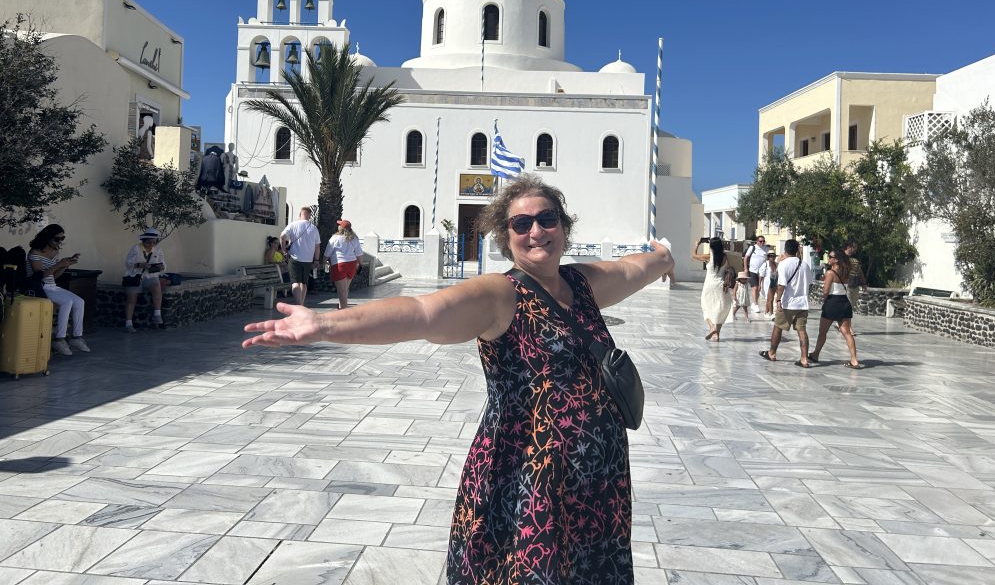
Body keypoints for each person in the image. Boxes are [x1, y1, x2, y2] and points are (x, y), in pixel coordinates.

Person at [243, 175, 675, 583]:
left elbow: (632, 270)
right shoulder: (500, 295)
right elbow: (423, 314)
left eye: (547, 219)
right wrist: (325, 325)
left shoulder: (582, 283)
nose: (537, 231)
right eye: (521, 223)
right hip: (529, 480)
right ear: (506, 238)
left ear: (564, 226)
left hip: (597, 483)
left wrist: (664, 255)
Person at [26, 224, 87, 355]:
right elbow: (39, 276)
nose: (60, 242)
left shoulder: (55, 253)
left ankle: (77, 337)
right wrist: (59, 264)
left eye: (62, 238)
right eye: (57, 239)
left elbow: (54, 276)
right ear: (47, 238)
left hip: (52, 286)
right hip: (39, 287)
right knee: (67, 302)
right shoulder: (34, 252)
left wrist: (65, 266)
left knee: (80, 302)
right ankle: (59, 339)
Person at [759, 238, 813, 367]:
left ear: (785, 250)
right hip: (802, 304)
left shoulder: (783, 264)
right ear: (797, 250)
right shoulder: (804, 265)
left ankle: (772, 353)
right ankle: (804, 358)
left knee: (778, 327)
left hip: (788, 303)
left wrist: (778, 300)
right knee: (802, 330)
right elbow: (810, 285)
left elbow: (781, 285)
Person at [809, 249, 864, 369]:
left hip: (832, 302)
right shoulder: (846, 271)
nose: (828, 258)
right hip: (844, 302)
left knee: (822, 332)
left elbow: (825, 291)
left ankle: (815, 354)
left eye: (830, 257)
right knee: (847, 333)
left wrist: (825, 301)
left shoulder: (830, 273)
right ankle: (854, 360)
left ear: (836, 259)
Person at [123, 228, 167, 333]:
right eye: (149, 242)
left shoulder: (158, 250)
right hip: (135, 276)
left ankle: (157, 314)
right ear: (144, 241)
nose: (151, 244)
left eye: (153, 242)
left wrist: (161, 266)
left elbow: (164, 264)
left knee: (156, 285)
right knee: (131, 299)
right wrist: (140, 265)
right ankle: (128, 323)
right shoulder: (136, 249)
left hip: (150, 276)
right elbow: (128, 263)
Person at [279, 206, 321, 307]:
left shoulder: (293, 225)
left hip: (294, 258)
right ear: (309, 215)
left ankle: (299, 305)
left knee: (295, 282)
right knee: (304, 283)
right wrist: (316, 259)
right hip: (308, 259)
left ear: (300, 214)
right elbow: (317, 246)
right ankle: (301, 303)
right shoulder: (313, 228)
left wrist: (284, 249)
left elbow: (282, 236)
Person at [694, 236, 732, 341]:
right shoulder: (725, 256)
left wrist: (697, 245)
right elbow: (728, 269)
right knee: (720, 308)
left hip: (709, 284)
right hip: (721, 284)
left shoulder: (709, 256)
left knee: (705, 306)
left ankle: (712, 327)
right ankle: (717, 334)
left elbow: (694, 256)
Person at [323, 220, 363, 309]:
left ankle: (344, 311)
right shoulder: (354, 238)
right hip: (352, 264)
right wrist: (360, 264)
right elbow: (359, 254)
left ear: (340, 227)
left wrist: (323, 262)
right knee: (345, 288)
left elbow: (327, 253)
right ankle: (342, 306)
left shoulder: (334, 238)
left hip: (339, 264)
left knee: (342, 290)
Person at [744, 235, 769, 314]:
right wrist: (746, 268)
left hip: (762, 272)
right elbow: (746, 258)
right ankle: (755, 304)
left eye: (763, 241)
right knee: (754, 287)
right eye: (760, 241)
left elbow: (768, 259)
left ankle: (754, 302)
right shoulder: (753, 248)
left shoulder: (766, 249)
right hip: (752, 270)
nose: (762, 243)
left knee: (759, 288)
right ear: (757, 241)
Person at [844, 239, 864, 314]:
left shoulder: (855, 259)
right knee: (847, 305)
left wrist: (863, 283)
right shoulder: (842, 257)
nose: (856, 249)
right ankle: (843, 323)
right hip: (846, 286)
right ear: (849, 247)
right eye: (854, 247)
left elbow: (860, 271)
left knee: (851, 306)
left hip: (855, 286)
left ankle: (843, 322)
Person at [759, 251, 779, 320]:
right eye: (771, 256)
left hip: (774, 282)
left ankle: (766, 312)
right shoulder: (765, 264)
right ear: (768, 257)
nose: (773, 257)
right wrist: (759, 285)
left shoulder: (776, 264)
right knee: (770, 299)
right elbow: (761, 275)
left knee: (770, 298)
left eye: (774, 256)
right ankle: (771, 313)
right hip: (767, 283)